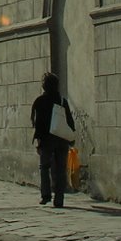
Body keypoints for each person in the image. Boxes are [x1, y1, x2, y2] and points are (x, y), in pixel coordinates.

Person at [30, 72, 75, 208]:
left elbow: (38, 124)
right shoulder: (62, 101)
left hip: (46, 140)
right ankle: (59, 199)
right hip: (61, 139)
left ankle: (46, 195)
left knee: (44, 167)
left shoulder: (40, 101)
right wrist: (71, 137)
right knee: (61, 169)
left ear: (44, 86)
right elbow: (69, 121)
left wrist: (38, 142)